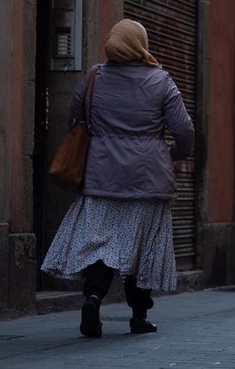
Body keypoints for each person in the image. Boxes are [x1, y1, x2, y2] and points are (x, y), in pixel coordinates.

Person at [41, 19, 194, 337]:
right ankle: (138, 316)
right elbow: (184, 131)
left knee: (101, 246)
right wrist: (174, 153)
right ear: (140, 44)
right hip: (148, 181)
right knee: (143, 250)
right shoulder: (161, 81)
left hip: (101, 178)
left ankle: (93, 298)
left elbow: (74, 118)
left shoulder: (94, 77)